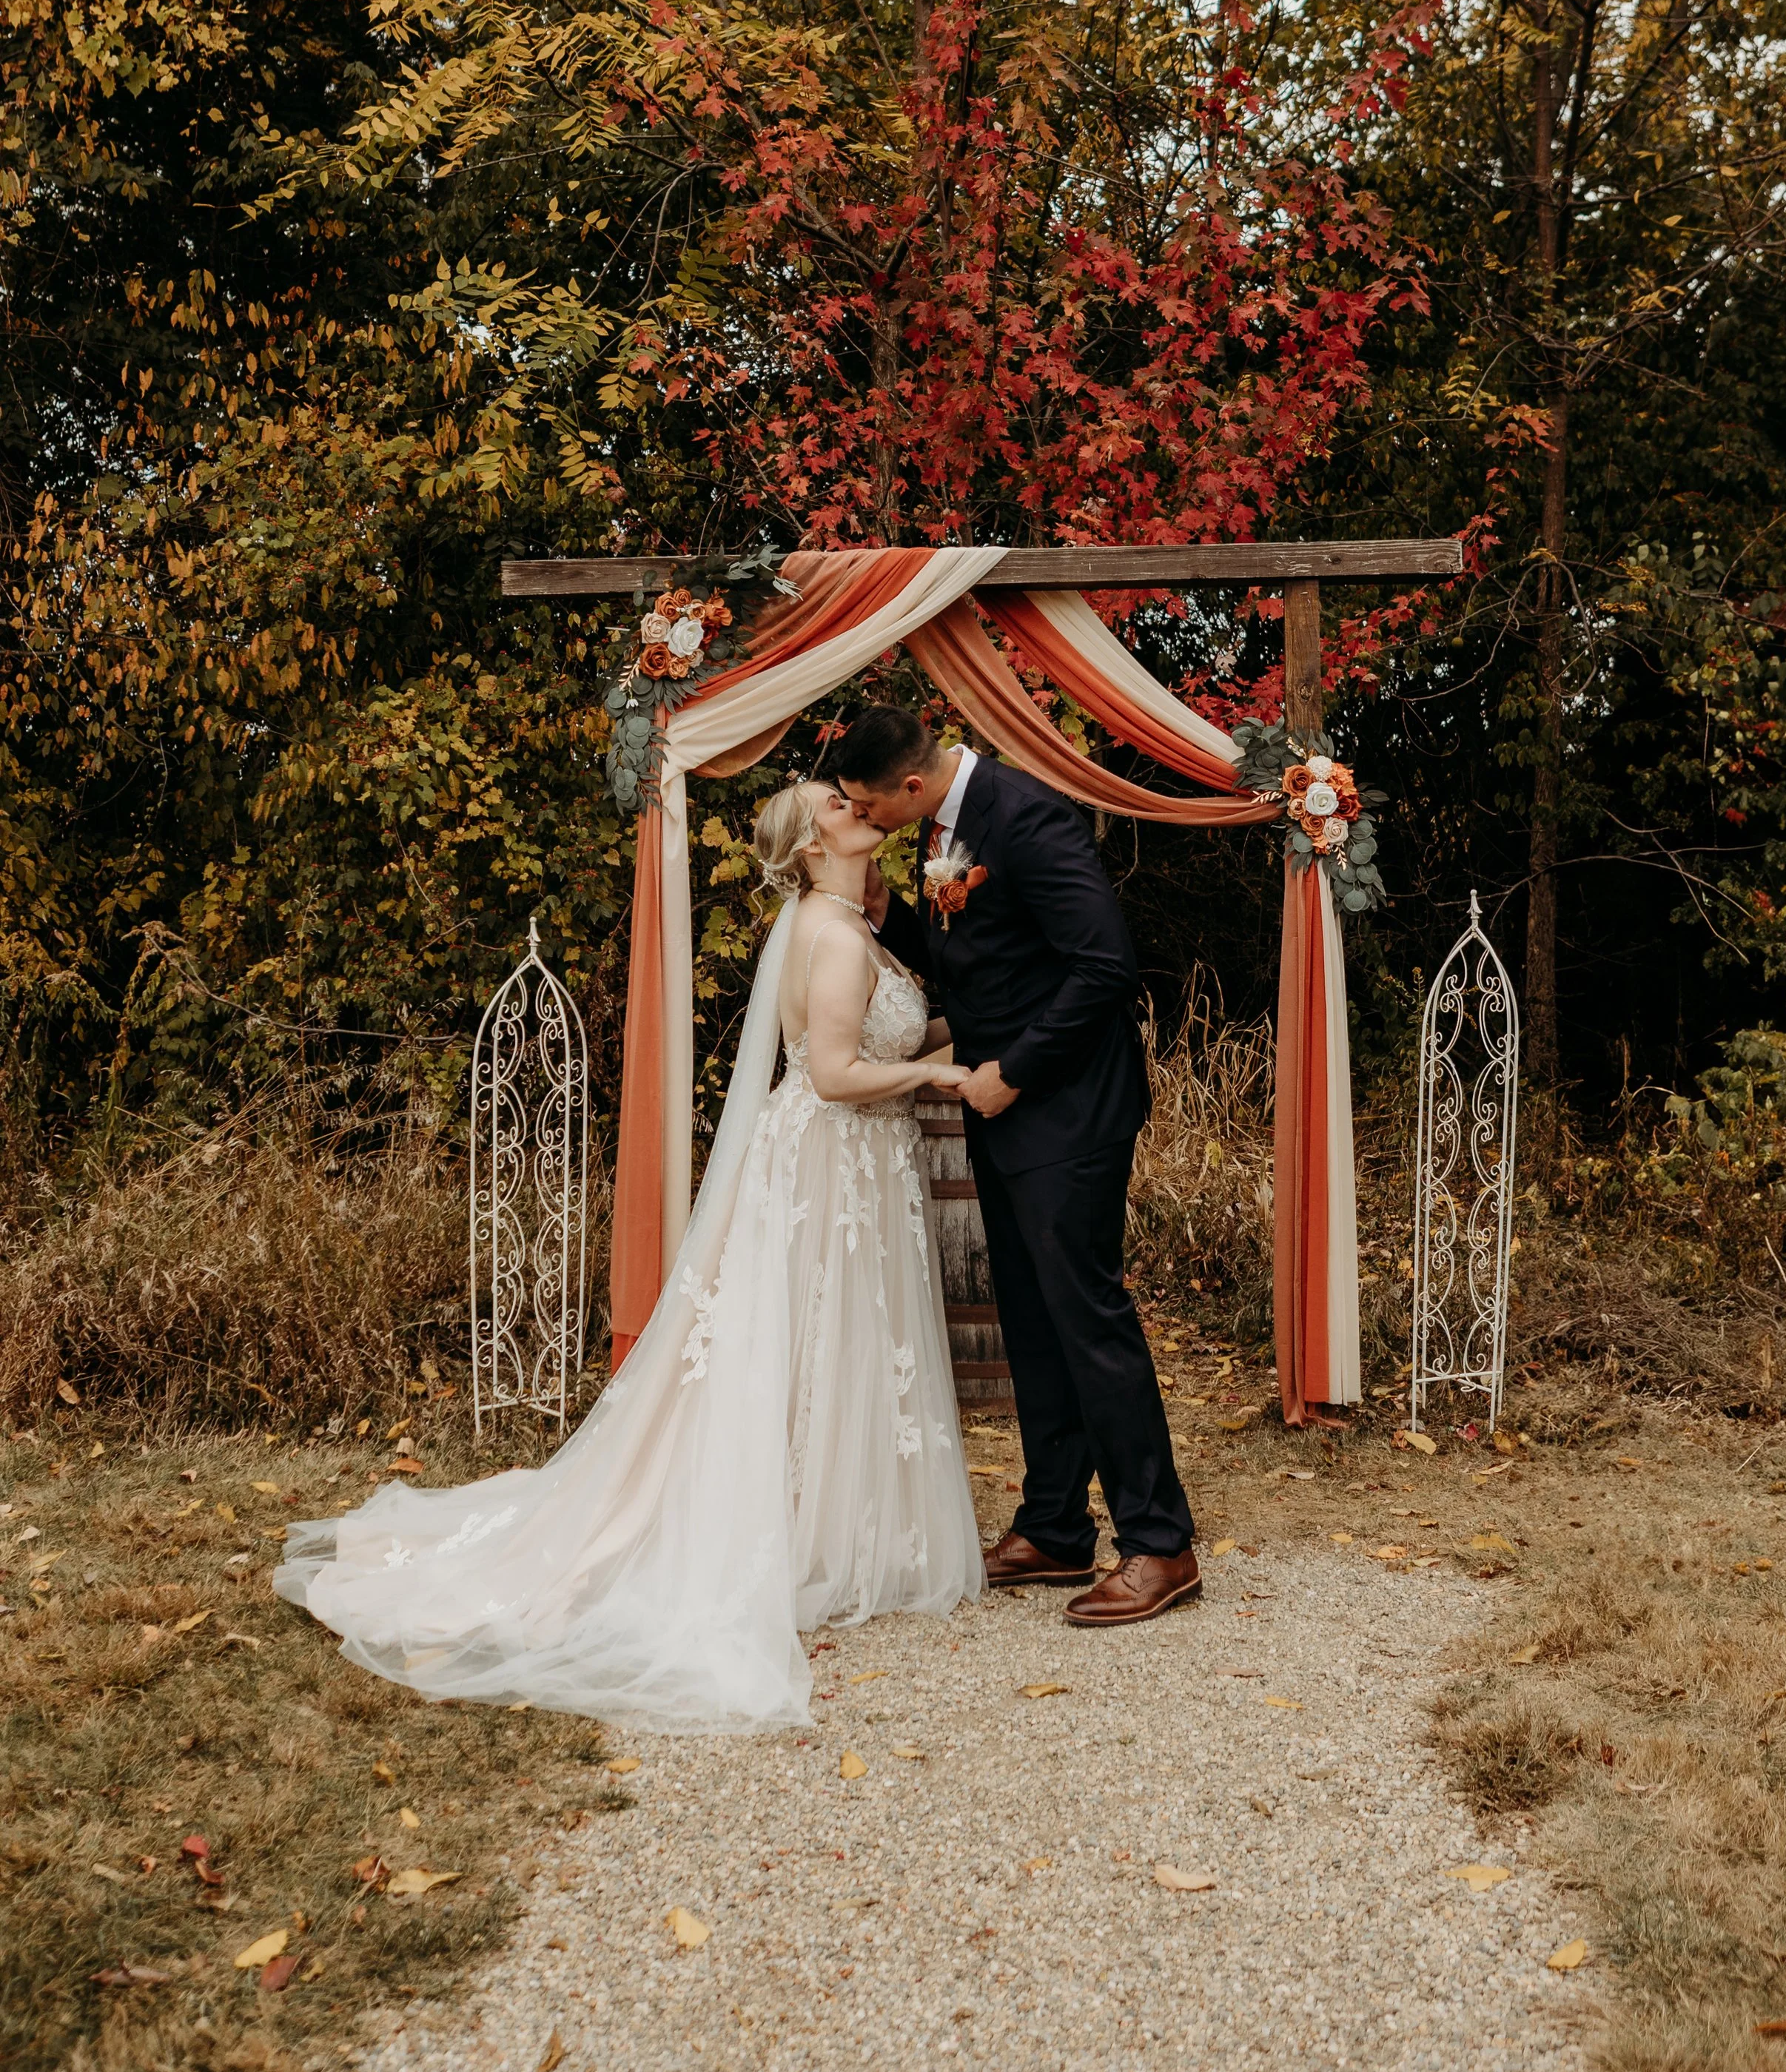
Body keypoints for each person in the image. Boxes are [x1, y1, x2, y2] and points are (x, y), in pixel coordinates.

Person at [272, 779, 984, 1729]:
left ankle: (831, 1527)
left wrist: (967, 1027)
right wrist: (939, 1069)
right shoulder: (837, 933)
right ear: (814, 846)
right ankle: (801, 1536)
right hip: (830, 1164)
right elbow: (833, 1072)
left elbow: (871, 1039)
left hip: (849, 1166)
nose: (856, 804)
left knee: (830, 1343)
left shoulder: (842, 925)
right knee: (811, 1338)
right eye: (836, 804)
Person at [831, 706, 1198, 1627]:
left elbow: (1103, 967)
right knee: (1031, 1319)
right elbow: (981, 964)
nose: (861, 820)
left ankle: (1160, 1543)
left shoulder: (1027, 818)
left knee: (1087, 1313)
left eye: (865, 806)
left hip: (1070, 1105)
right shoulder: (945, 826)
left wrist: (1013, 1074)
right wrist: (893, 919)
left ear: (910, 788)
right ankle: (1056, 1526)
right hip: (1005, 1110)